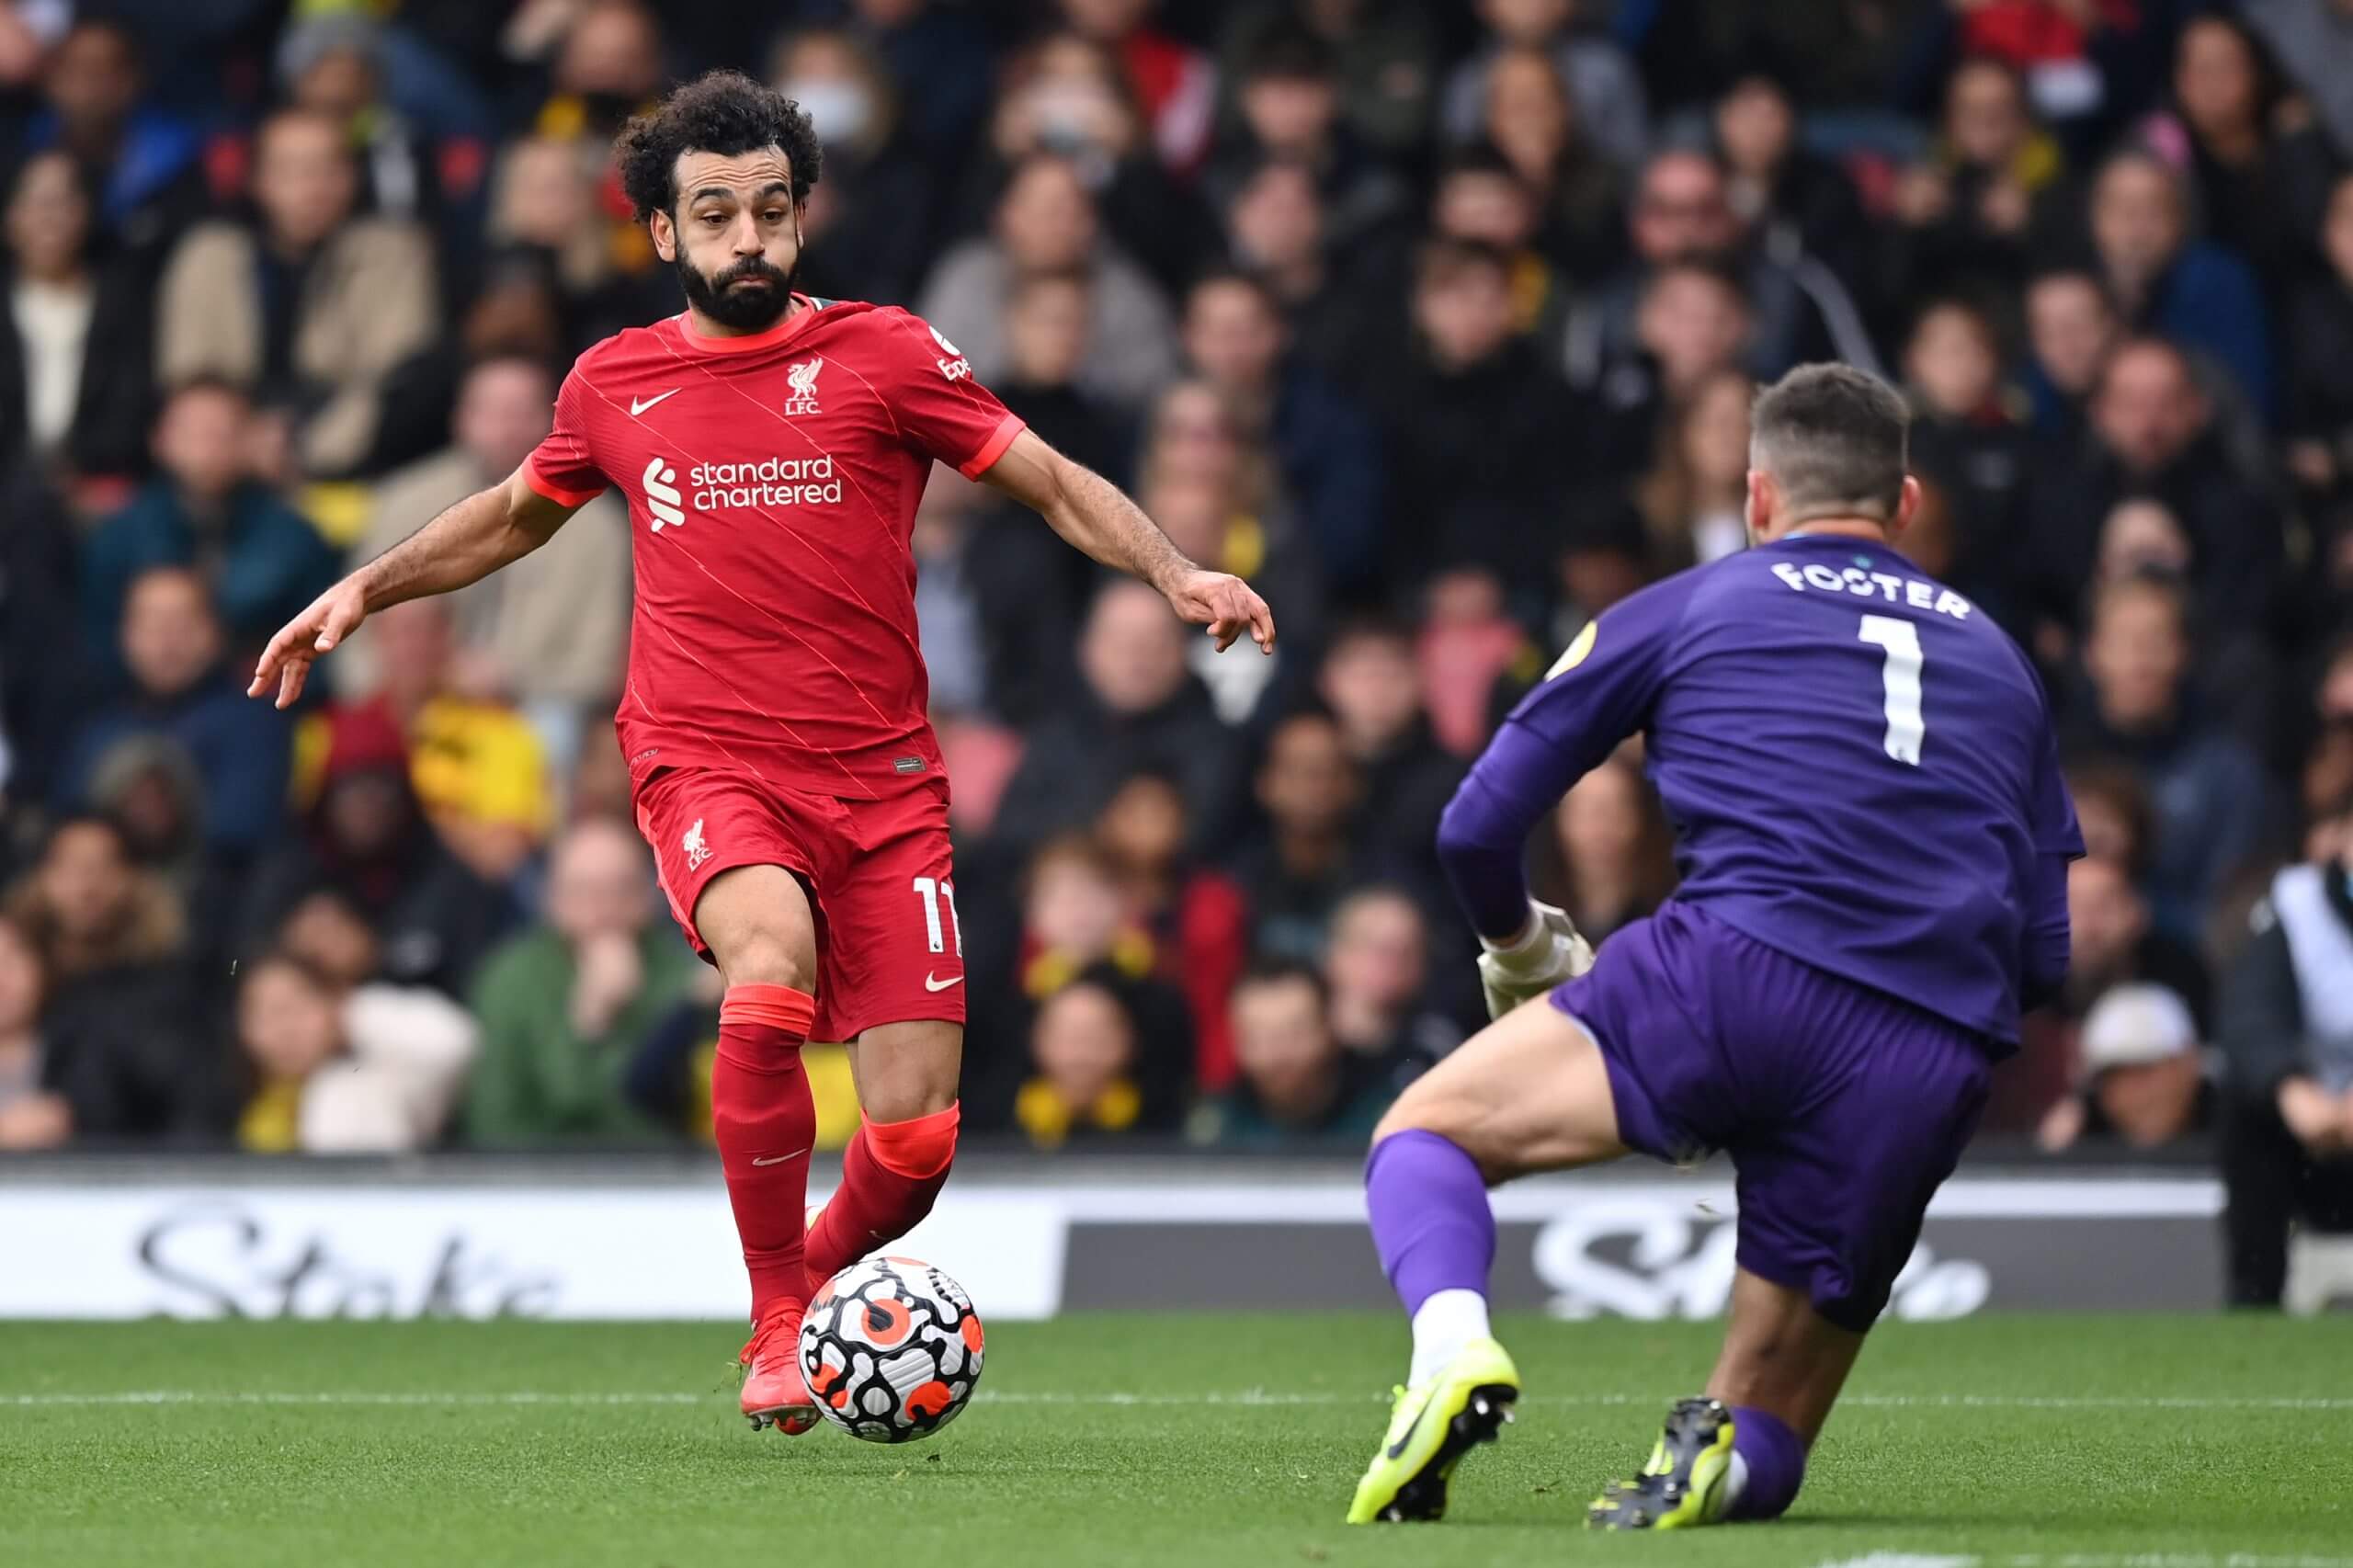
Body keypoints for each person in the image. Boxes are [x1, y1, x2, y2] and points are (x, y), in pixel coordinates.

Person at [244, 73, 1273, 1437]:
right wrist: (365, 588)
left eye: (771, 211)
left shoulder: (889, 354)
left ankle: (816, 1278)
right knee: (768, 972)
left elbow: (1049, 477)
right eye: (716, 213)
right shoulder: (614, 381)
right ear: (664, 235)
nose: (749, 239)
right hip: (706, 760)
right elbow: (506, 516)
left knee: (912, 1142)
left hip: (886, 784)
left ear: (801, 220)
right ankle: (782, 1317)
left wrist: (1174, 566)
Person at [1347, 366, 2079, 1530]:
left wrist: (1524, 947)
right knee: (1764, 1420)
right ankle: (1709, 1464)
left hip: (1733, 971)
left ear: (1756, 496)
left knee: (1423, 1135)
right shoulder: (2004, 664)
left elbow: (1475, 826)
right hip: (1929, 1048)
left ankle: (1450, 1351)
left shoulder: (1691, 603)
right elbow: (2045, 958)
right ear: (1904, 501)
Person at [464, 816, 702, 1148]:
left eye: (621, 890)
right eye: (584, 892)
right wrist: (589, 1022)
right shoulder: (509, 979)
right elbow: (494, 1121)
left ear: (650, 896)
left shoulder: (681, 977)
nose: (604, 908)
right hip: (530, 1184)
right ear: (551, 899)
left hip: (656, 1185)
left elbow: (656, 1127)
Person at [2217, 791, 2353, 1308]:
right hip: (2320, 1131)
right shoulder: (2295, 904)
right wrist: (2291, 1087)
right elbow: (2251, 1011)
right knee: (2246, 1102)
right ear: (2340, 840)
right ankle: (2254, 1304)